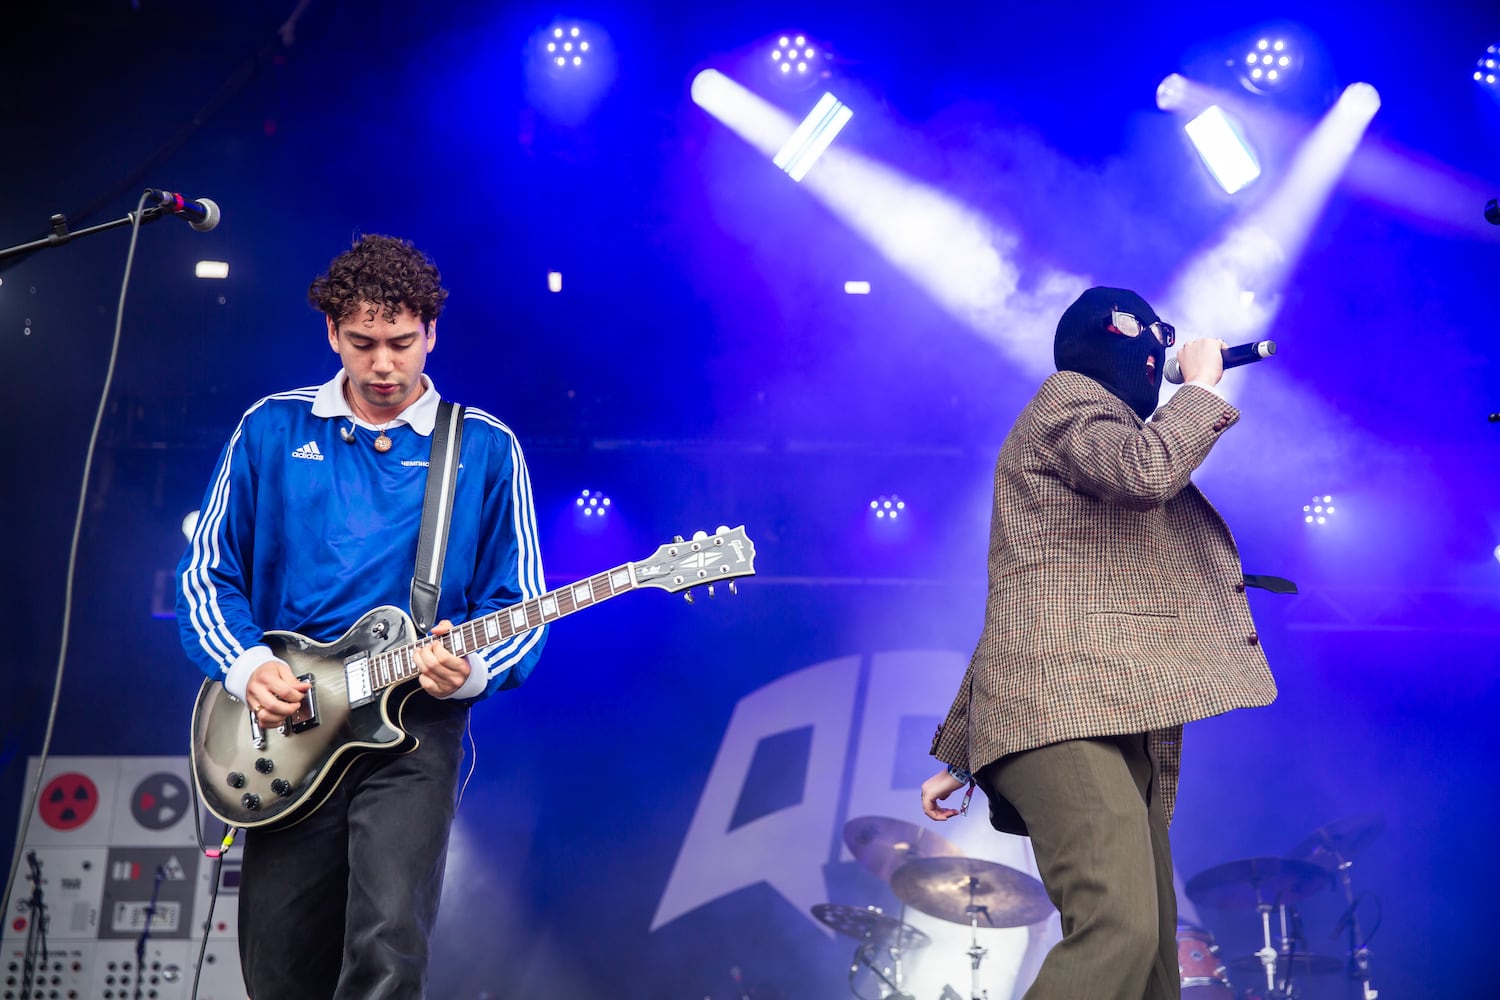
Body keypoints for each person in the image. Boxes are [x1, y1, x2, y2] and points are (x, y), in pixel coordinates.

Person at [176, 233, 548, 998]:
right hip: (288, 730)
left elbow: (522, 609)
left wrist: (468, 669)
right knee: (278, 969)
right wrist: (251, 668)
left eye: (402, 343)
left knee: (386, 949)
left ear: (432, 334)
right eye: (363, 343)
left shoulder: (481, 447)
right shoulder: (273, 430)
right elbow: (206, 576)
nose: (383, 365)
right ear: (331, 333)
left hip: (411, 732)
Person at [920, 286, 1277, 999]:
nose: (1166, 358)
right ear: (1132, 345)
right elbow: (1146, 470)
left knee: (1151, 971)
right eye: (1159, 344)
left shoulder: (1097, 439)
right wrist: (1200, 389)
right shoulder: (1068, 404)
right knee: (1119, 926)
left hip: (1108, 715)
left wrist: (960, 753)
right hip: (1063, 718)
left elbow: (1026, 610)